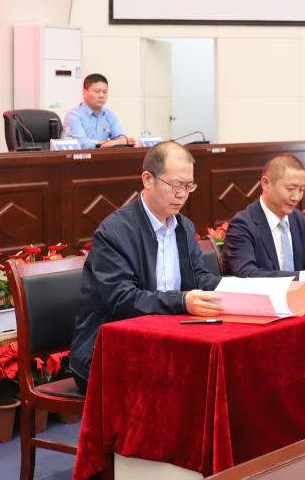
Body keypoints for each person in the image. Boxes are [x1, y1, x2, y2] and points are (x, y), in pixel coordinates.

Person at [70, 141, 222, 393]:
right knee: (185, 380)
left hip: (167, 339)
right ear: (148, 179)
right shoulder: (114, 232)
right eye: (175, 185)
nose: (182, 194)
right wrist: (181, 301)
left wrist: (241, 290)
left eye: (188, 186)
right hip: (107, 349)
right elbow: (121, 300)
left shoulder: (183, 227)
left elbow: (198, 279)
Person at [222, 154, 305, 281]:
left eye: (301, 190)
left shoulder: (296, 218)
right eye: (290, 189)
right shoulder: (243, 225)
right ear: (266, 184)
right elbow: (246, 274)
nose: (296, 197)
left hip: (301, 293)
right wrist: (304, 277)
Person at [64, 73, 136, 149]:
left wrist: (125, 141)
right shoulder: (73, 115)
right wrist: (113, 143)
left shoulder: (109, 115)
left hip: (104, 156)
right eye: (97, 91)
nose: (101, 96)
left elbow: (121, 138)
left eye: (105, 92)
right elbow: (82, 144)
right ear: (84, 92)